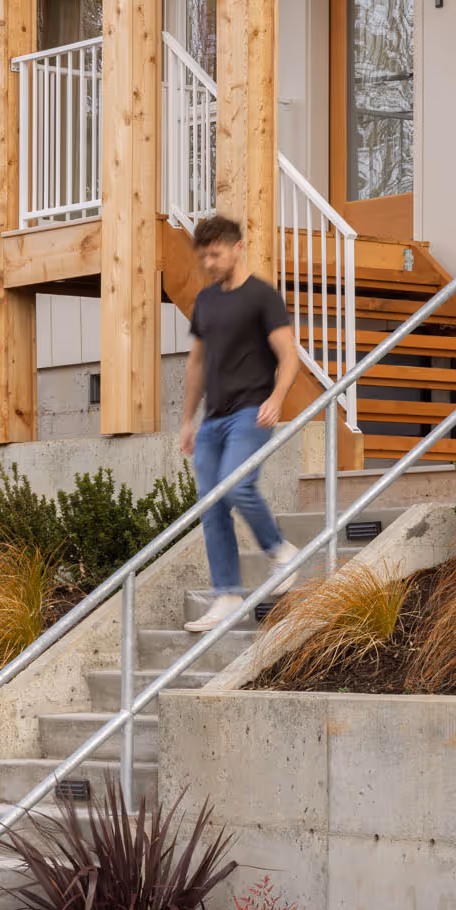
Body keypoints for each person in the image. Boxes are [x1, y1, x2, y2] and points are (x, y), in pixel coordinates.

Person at [179, 214, 300, 632]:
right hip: (213, 419)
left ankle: (281, 551)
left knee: (236, 483)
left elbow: (289, 355)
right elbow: (196, 363)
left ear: (236, 248)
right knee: (210, 503)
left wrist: (277, 397)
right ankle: (227, 595)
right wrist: (186, 420)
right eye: (204, 256)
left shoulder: (262, 296)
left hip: (252, 410)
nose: (209, 263)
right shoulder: (205, 302)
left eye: (215, 254)